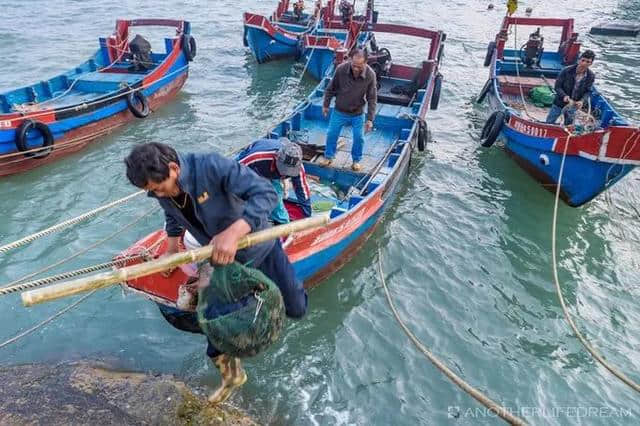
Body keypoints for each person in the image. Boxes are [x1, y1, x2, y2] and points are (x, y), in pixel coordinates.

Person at [124, 142, 308, 404]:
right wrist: (172, 248)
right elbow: (172, 213)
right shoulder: (162, 193)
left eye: (159, 188)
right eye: (152, 192)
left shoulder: (211, 166)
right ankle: (232, 377)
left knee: (297, 308)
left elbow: (266, 194)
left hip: (258, 247)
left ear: (174, 168)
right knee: (213, 325)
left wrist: (234, 232)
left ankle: (267, 304)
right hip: (221, 260)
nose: (158, 195)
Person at [321, 48, 377, 172]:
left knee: (359, 137)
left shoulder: (370, 75)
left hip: (357, 113)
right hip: (339, 110)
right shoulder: (341, 69)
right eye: (354, 65)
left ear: (366, 62)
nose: (356, 68)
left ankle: (356, 160)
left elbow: (372, 98)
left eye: (359, 66)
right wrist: (326, 105)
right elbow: (330, 89)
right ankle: (328, 156)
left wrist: (370, 119)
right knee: (331, 133)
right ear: (350, 60)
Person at [237, 138, 312, 224]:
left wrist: (307, 217)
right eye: (284, 170)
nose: (285, 175)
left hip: (272, 171)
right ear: (277, 158)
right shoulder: (256, 158)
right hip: (253, 167)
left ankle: (280, 222)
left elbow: (302, 190)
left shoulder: (298, 166)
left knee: (276, 198)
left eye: (289, 172)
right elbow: (234, 173)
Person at [546, 50, 596, 126]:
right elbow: (557, 87)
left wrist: (582, 101)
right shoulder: (566, 71)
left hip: (574, 105)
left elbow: (588, 92)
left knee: (568, 125)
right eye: (583, 60)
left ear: (591, 64)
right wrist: (564, 96)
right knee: (550, 121)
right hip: (559, 102)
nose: (584, 63)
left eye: (588, 62)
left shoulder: (591, 76)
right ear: (579, 60)